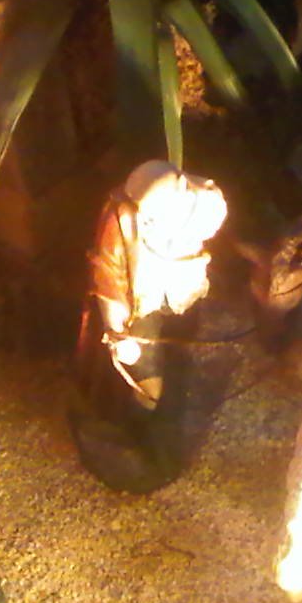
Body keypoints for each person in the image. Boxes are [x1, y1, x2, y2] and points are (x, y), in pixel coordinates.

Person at [78, 161, 228, 414]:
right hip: (139, 310)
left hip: (179, 299)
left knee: (179, 357)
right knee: (149, 388)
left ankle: (172, 398)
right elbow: (108, 282)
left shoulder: (200, 205)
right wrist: (117, 335)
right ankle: (138, 420)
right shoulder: (122, 223)